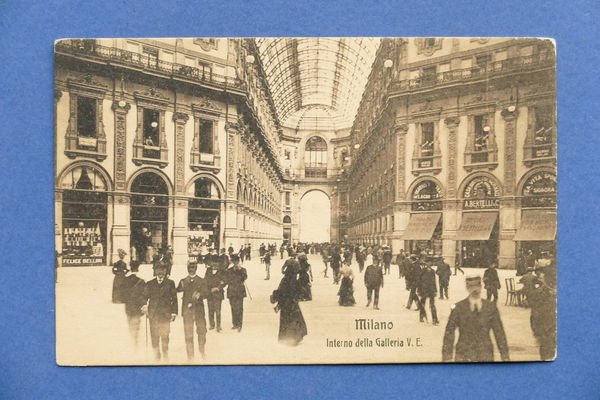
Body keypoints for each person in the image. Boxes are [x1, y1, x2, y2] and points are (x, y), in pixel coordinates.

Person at [442, 275, 510, 362]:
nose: (474, 289)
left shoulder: (490, 307)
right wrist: (447, 357)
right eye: (471, 286)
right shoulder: (458, 308)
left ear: (481, 287)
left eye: (477, 286)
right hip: (463, 354)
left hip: (485, 354)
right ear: (467, 288)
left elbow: (499, 332)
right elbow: (449, 332)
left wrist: (505, 356)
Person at [143, 262, 177, 361]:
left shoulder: (170, 283)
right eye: (158, 269)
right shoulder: (149, 283)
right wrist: (144, 305)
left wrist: (174, 312)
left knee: (165, 336)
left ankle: (165, 355)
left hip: (165, 315)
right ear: (155, 271)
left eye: (163, 269)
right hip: (153, 315)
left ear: (166, 271)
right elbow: (144, 296)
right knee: (154, 336)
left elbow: (174, 299)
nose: (160, 272)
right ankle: (156, 356)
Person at [177, 262, 208, 360]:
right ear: (187, 268)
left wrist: (201, 294)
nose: (191, 269)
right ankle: (190, 356)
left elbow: (207, 293)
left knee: (202, 331)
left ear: (196, 268)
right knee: (188, 333)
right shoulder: (183, 281)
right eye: (189, 267)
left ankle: (202, 351)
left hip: (199, 310)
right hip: (187, 311)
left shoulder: (202, 280)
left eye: (193, 267)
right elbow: (176, 290)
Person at [272, 260, 307, 346]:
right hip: (292, 304)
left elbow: (279, 291)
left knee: (287, 321)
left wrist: (276, 298)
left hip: (286, 304)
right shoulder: (294, 280)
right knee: (295, 320)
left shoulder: (285, 280)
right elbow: (300, 292)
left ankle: (287, 338)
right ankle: (294, 338)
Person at [528, 262, 557, 360]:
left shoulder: (541, 294)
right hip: (548, 337)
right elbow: (534, 316)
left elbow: (534, 317)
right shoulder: (540, 294)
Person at [123, 259, 146, 349]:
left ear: (130, 268)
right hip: (137, 308)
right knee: (136, 327)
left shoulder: (125, 280)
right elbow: (144, 295)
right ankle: (135, 344)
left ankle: (132, 343)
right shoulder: (141, 281)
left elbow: (122, 296)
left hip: (128, 308)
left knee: (130, 326)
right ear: (138, 268)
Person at [226, 255, 247, 332]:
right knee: (233, 307)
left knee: (240, 308)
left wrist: (240, 270)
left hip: (240, 291)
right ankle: (235, 323)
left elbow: (244, 277)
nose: (235, 263)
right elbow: (227, 279)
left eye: (237, 262)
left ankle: (240, 324)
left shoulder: (243, 270)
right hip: (231, 291)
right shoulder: (229, 270)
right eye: (234, 262)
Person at [205, 258, 226, 332]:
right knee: (210, 310)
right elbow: (205, 280)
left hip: (218, 293)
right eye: (213, 263)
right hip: (209, 293)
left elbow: (224, 281)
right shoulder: (208, 271)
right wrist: (208, 289)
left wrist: (218, 288)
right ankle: (212, 324)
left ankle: (218, 326)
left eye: (216, 263)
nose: (214, 265)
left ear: (219, 264)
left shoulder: (222, 272)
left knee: (218, 310)